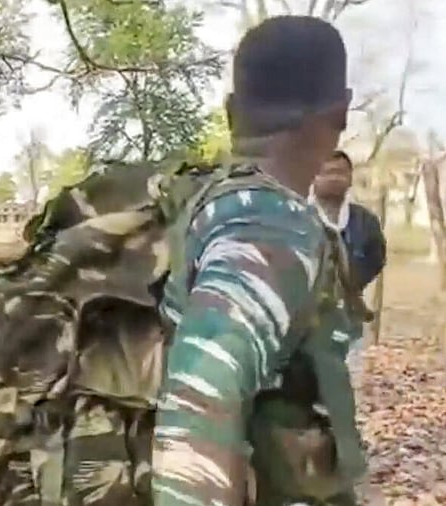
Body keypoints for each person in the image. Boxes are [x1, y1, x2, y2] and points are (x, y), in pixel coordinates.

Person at [153, 16, 364, 506]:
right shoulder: (269, 225)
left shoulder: (211, 203)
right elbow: (202, 400)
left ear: (231, 111)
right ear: (342, 111)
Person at [310, 150, 387, 293]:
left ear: (350, 178)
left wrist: (353, 284)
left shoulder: (366, 220)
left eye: (340, 173)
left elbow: (376, 259)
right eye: (327, 172)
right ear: (313, 177)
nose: (334, 178)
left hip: (350, 307)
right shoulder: (297, 215)